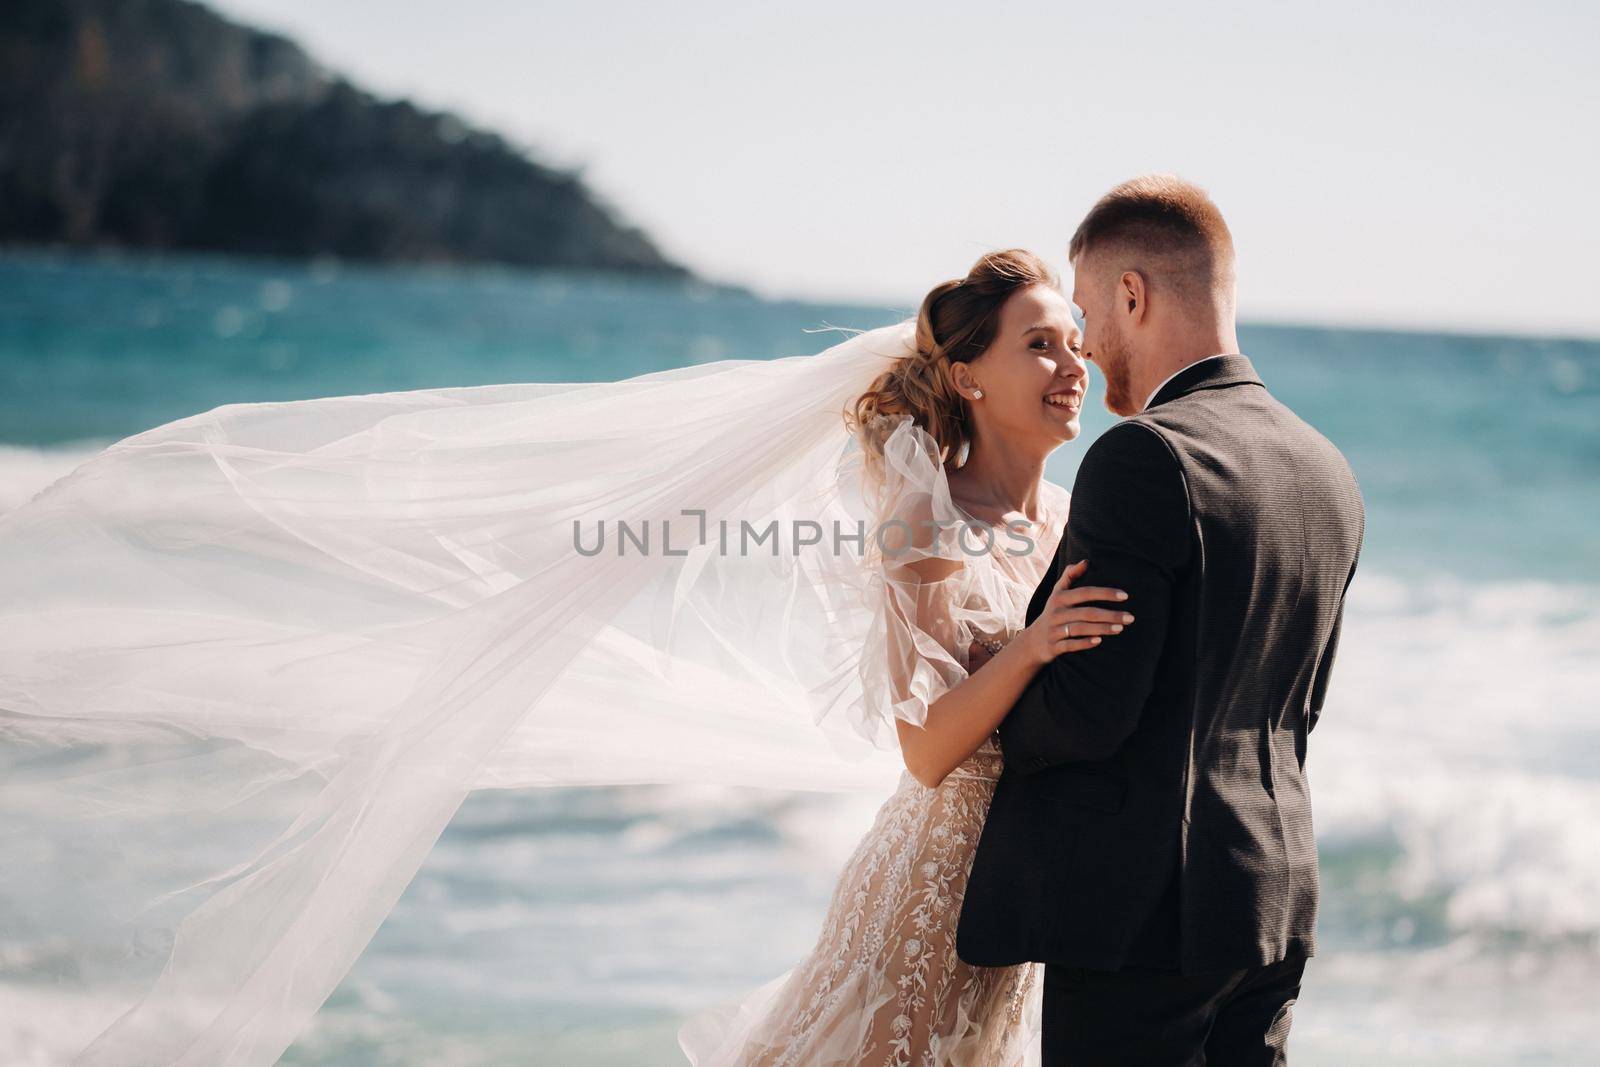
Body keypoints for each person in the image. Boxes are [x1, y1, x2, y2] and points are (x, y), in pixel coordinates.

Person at [680, 249, 1132, 1066]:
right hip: (930, 893)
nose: (1075, 366)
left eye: (1075, 341)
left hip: (1021, 899)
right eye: (1039, 345)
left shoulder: (1074, 522)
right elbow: (924, 748)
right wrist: (1032, 645)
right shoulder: (925, 520)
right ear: (967, 378)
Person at [955, 175, 1366, 1065]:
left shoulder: (1145, 456)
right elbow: (1299, 705)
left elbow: (1092, 710)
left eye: (1091, 316)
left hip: (1139, 915)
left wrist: (986, 714)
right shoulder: (1326, 469)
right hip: (1271, 897)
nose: (1089, 348)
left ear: (1132, 295)